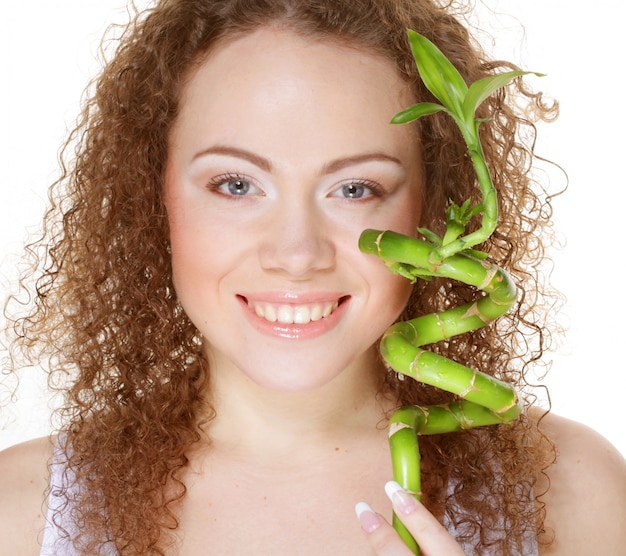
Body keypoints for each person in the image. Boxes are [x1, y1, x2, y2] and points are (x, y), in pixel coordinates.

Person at [0, 0, 624, 554]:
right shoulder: (21, 515)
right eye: (236, 185)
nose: (297, 254)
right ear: (149, 197)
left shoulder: (573, 492)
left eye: (355, 189)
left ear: (432, 211)